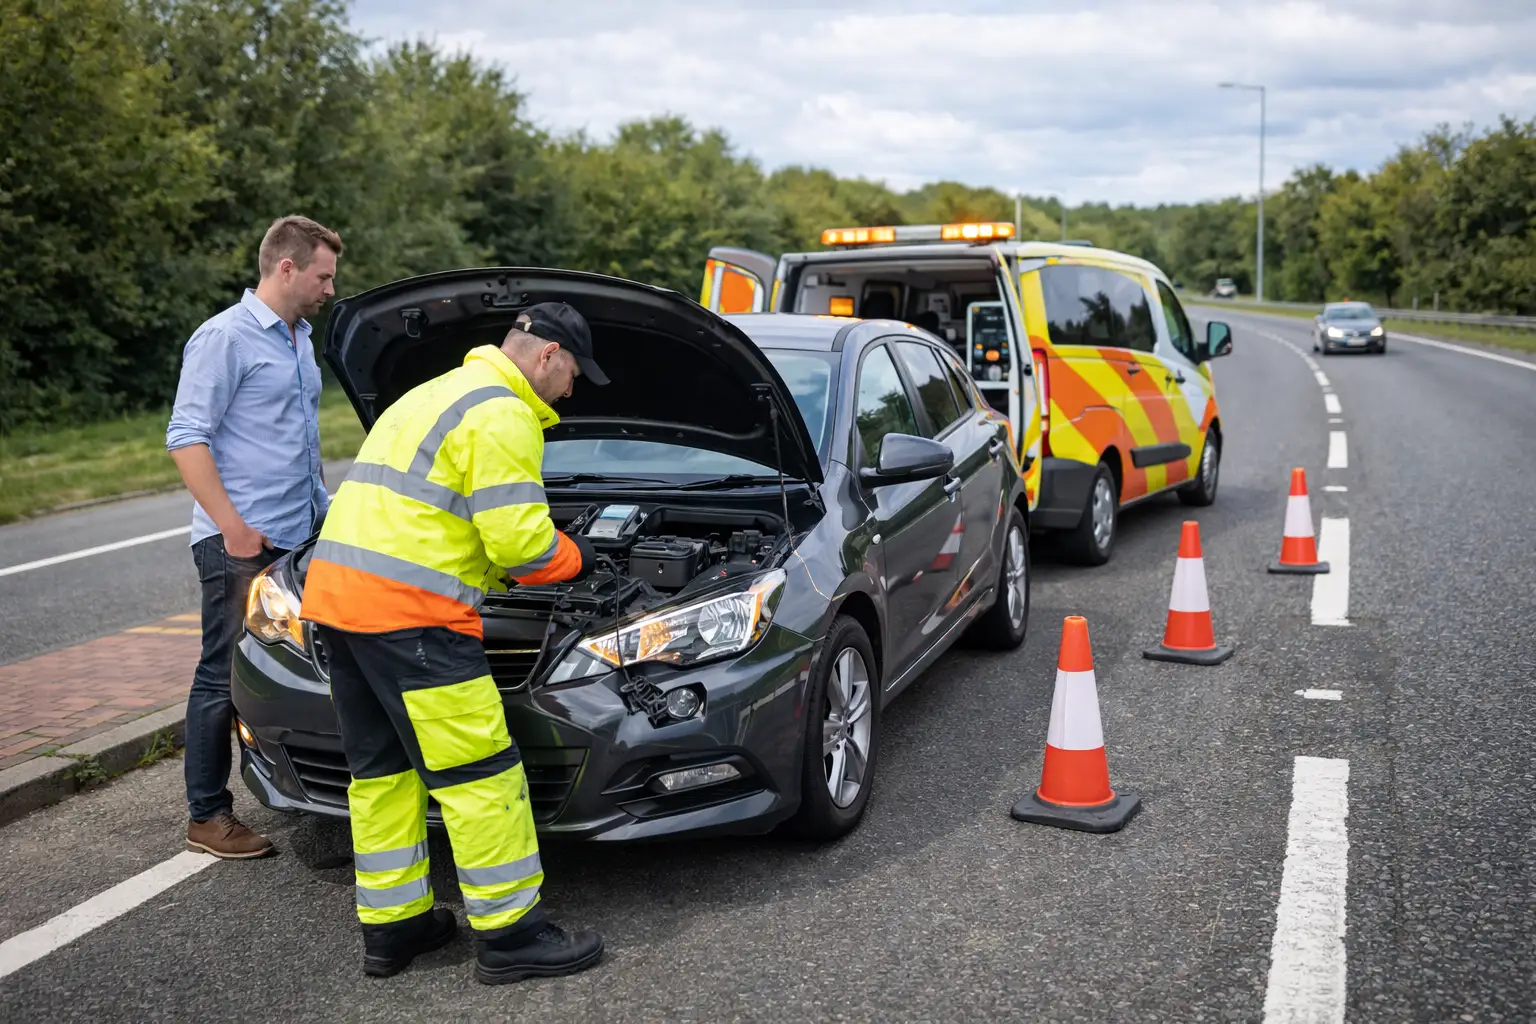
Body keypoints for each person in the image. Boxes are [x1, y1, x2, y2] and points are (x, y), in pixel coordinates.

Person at [299, 302, 610, 984]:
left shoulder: (432, 392)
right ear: (548, 354)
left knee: (382, 776)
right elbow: (521, 546)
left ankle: (395, 927)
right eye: (574, 375)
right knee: (480, 774)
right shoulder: (503, 411)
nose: (572, 390)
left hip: (339, 607)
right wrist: (583, 559)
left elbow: (433, 511)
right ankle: (511, 936)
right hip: (414, 619)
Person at [166, 214, 342, 859]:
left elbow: (299, 440)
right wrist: (235, 529)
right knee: (224, 675)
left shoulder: (299, 338)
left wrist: (324, 511)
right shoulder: (225, 338)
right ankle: (207, 817)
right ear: (287, 268)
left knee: (305, 668)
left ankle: (312, 796)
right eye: (322, 276)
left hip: (300, 536)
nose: (329, 289)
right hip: (240, 543)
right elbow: (186, 437)